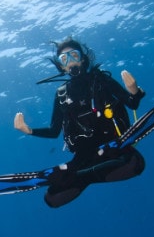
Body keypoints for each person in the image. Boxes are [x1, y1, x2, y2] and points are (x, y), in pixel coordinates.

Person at [14, 38, 146, 208]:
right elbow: (54, 131)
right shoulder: (62, 94)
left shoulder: (101, 80)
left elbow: (132, 103)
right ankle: (82, 173)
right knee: (52, 199)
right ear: (61, 67)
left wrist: (134, 92)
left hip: (114, 146)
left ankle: (77, 175)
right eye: (64, 59)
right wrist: (30, 131)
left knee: (136, 165)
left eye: (74, 55)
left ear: (83, 59)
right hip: (85, 154)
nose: (70, 61)